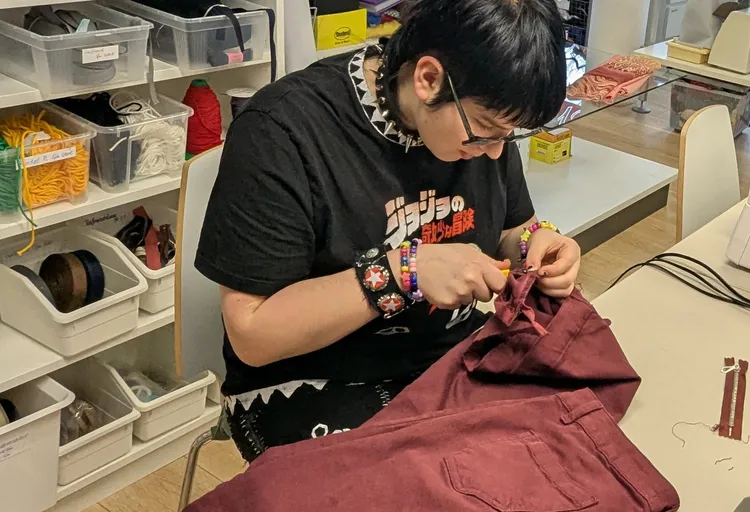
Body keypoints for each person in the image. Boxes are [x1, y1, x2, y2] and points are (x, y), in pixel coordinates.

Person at [195, 0, 582, 462]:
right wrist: (402, 272)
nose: (496, 152)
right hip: (309, 380)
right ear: (428, 78)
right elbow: (253, 334)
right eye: (486, 130)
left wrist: (537, 246)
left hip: (445, 354)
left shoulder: (482, 120)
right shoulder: (283, 131)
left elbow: (513, 229)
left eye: (508, 135)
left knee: (566, 437)